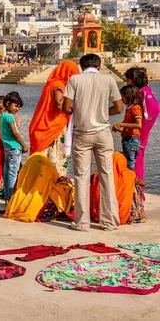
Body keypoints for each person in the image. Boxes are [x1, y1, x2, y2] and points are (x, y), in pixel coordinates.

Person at [62, 53, 122, 231]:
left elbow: (66, 107)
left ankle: (82, 222)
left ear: (81, 66)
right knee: (107, 175)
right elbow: (118, 108)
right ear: (99, 66)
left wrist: (80, 111)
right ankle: (109, 221)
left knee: (81, 177)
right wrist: (103, 112)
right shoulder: (108, 80)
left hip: (82, 133)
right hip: (103, 132)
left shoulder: (75, 80)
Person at [29, 60, 80, 176]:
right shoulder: (58, 85)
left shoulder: (52, 84)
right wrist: (72, 109)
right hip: (53, 127)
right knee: (54, 159)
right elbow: (59, 103)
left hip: (47, 126)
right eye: (72, 75)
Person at [125, 67, 159, 181]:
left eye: (128, 80)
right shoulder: (147, 90)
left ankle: (137, 190)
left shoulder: (141, 93)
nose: (127, 83)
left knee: (136, 159)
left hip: (139, 133)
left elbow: (150, 111)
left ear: (133, 80)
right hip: (143, 131)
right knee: (137, 158)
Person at [0, 91, 28, 204]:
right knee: (12, 174)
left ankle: (7, 198)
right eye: (16, 106)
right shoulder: (9, 117)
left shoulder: (2, 116)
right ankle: (11, 200)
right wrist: (24, 145)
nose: (17, 109)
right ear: (7, 103)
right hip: (14, 148)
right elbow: (15, 133)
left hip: (7, 148)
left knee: (7, 174)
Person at [112, 85, 142, 170]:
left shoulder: (135, 108)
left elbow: (138, 125)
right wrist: (121, 128)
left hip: (132, 141)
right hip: (129, 139)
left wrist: (121, 124)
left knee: (130, 163)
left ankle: (131, 180)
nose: (121, 99)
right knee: (128, 161)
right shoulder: (130, 108)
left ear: (128, 96)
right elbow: (129, 123)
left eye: (122, 97)